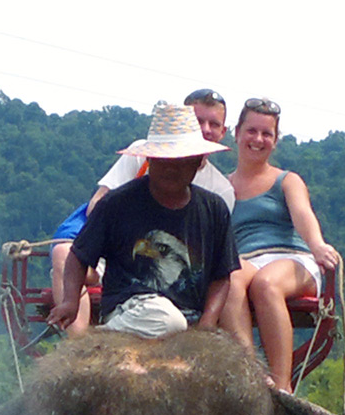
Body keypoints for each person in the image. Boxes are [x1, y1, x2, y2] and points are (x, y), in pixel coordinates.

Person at [48, 88, 235, 335]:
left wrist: (208, 324)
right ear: (149, 160)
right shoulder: (117, 203)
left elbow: (221, 276)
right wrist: (71, 301)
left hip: (189, 315)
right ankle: (101, 337)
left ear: (196, 162)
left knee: (177, 324)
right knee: (168, 320)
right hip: (130, 308)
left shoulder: (214, 207)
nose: (171, 169)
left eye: (181, 160)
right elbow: (78, 256)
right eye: (163, 159)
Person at [221, 97, 343, 391]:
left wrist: (317, 244)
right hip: (246, 259)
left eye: (267, 134)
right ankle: (250, 374)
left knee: (266, 284)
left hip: (292, 259)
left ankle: (281, 384)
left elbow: (302, 214)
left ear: (275, 141)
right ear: (236, 133)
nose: (258, 139)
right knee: (230, 278)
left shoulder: (287, 181)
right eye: (252, 131)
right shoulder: (221, 187)